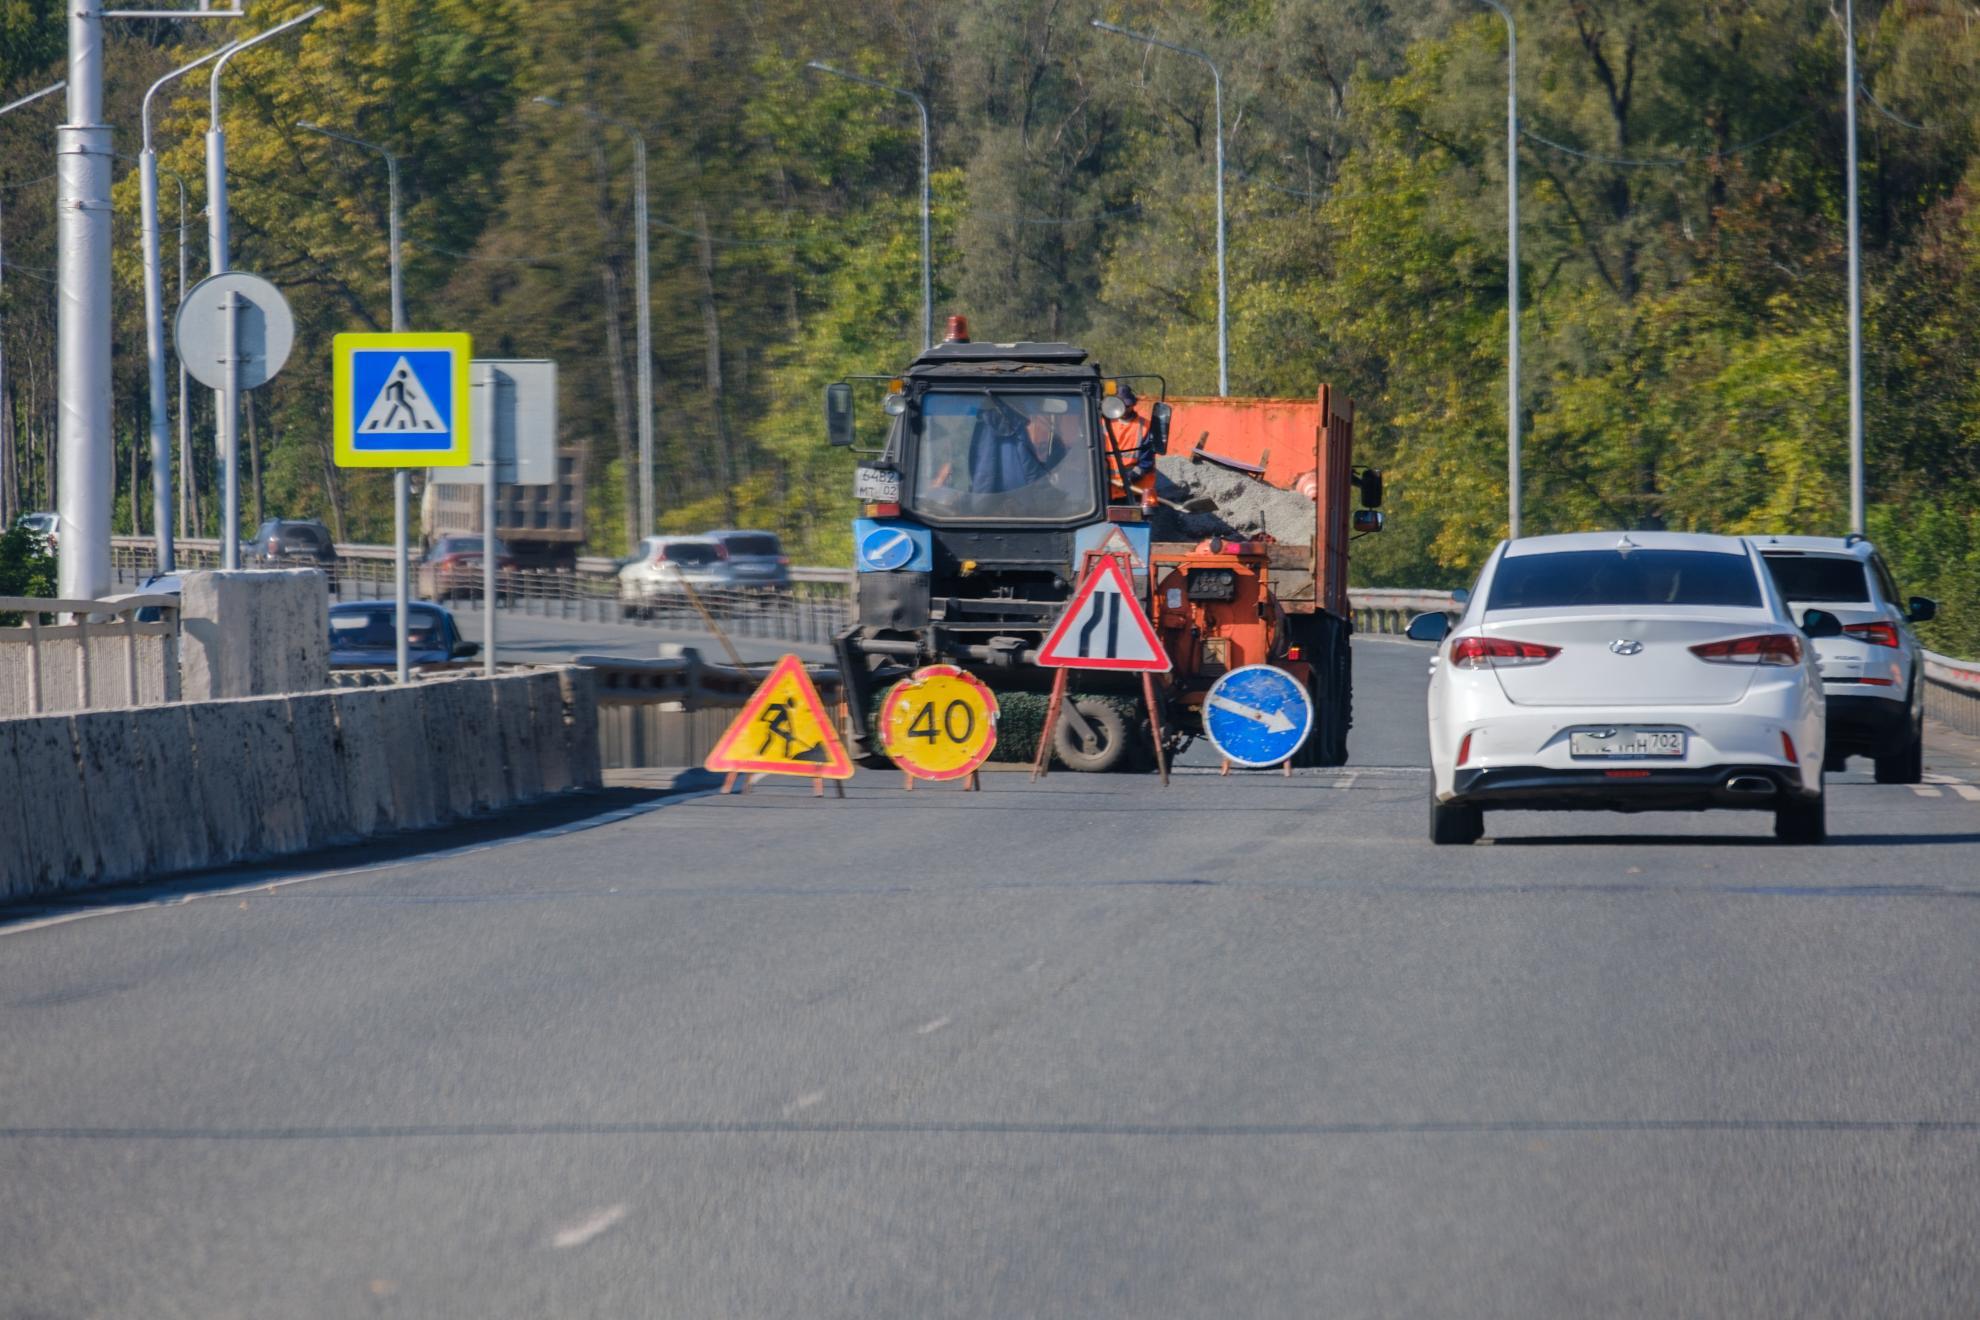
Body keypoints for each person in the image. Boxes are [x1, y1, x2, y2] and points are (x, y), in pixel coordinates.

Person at [968, 397, 1070, 494]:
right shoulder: (1016, 432)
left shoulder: (986, 429)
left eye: (1042, 448)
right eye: (1040, 448)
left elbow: (984, 480)